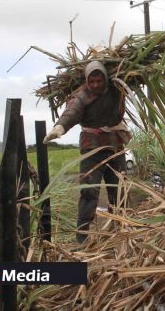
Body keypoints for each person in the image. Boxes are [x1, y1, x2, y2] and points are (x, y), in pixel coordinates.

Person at [43, 61, 131, 243]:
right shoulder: (81, 96)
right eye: (92, 81)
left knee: (120, 191)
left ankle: (122, 234)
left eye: (99, 81)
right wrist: (59, 128)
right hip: (92, 150)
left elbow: (134, 82)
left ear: (106, 79)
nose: (96, 85)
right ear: (87, 80)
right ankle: (82, 238)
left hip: (116, 147)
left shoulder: (116, 89)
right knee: (89, 192)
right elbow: (72, 112)